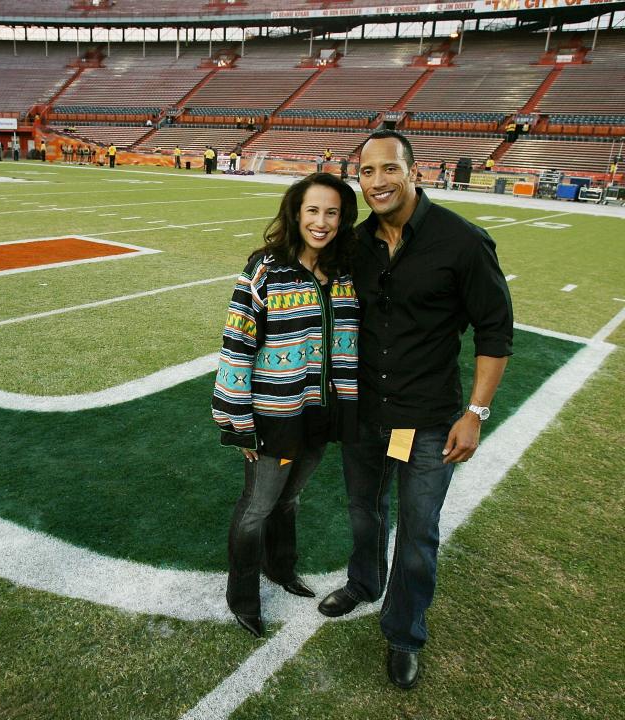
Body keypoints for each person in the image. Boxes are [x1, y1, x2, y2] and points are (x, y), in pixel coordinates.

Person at [316, 130, 512, 689]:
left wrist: (476, 412)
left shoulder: (462, 241)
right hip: (365, 412)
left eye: (388, 169)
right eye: (367, 171)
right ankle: (363, 582)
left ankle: (404, 633)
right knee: (363, 511)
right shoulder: (356, 244)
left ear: (414, 171)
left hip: (428, 418)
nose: (377, 181)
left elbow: (495, 330)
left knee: (419, 530)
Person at [213, 172, 360, 638]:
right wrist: (237, 420)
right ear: (296, 213)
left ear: (343, 219)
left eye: (332, 212)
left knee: (290, 500)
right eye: (313, 210)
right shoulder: (265, 268)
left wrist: (350, 406)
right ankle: (243, 598)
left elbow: (350, 343)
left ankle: (281, 569)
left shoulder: (344, 273)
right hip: (274, 412)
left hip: (320, 411)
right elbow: (237, 345)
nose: (321, 221)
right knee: (258, 507)